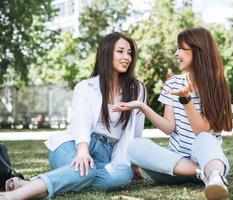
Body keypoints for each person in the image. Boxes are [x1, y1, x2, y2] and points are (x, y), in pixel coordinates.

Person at [0, 32, 146, 200]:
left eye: (129, 53)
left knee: (122, 176)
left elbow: (136, 127)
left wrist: (134, 165)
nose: (126, 57)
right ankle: (13, 196)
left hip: (108, 154)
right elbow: (81, 122)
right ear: (106, 53)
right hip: (73, 144)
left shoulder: (137, 89)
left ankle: (33, 184)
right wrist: (83, 150)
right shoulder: (85, 86)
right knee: (86, 170)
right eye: (120, 51)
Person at [113, 27, 232, 200]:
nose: (176, 54)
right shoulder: (173, 83)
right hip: (174, 167)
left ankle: (214, 177)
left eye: (181, 49)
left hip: (208, 159)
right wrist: (142, 106)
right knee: (134, 146)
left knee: (205, 138)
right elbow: (169, 128)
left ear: (198, 51)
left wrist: (186, 100)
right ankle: (204, 174)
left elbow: (201, 131)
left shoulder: (217, 86)